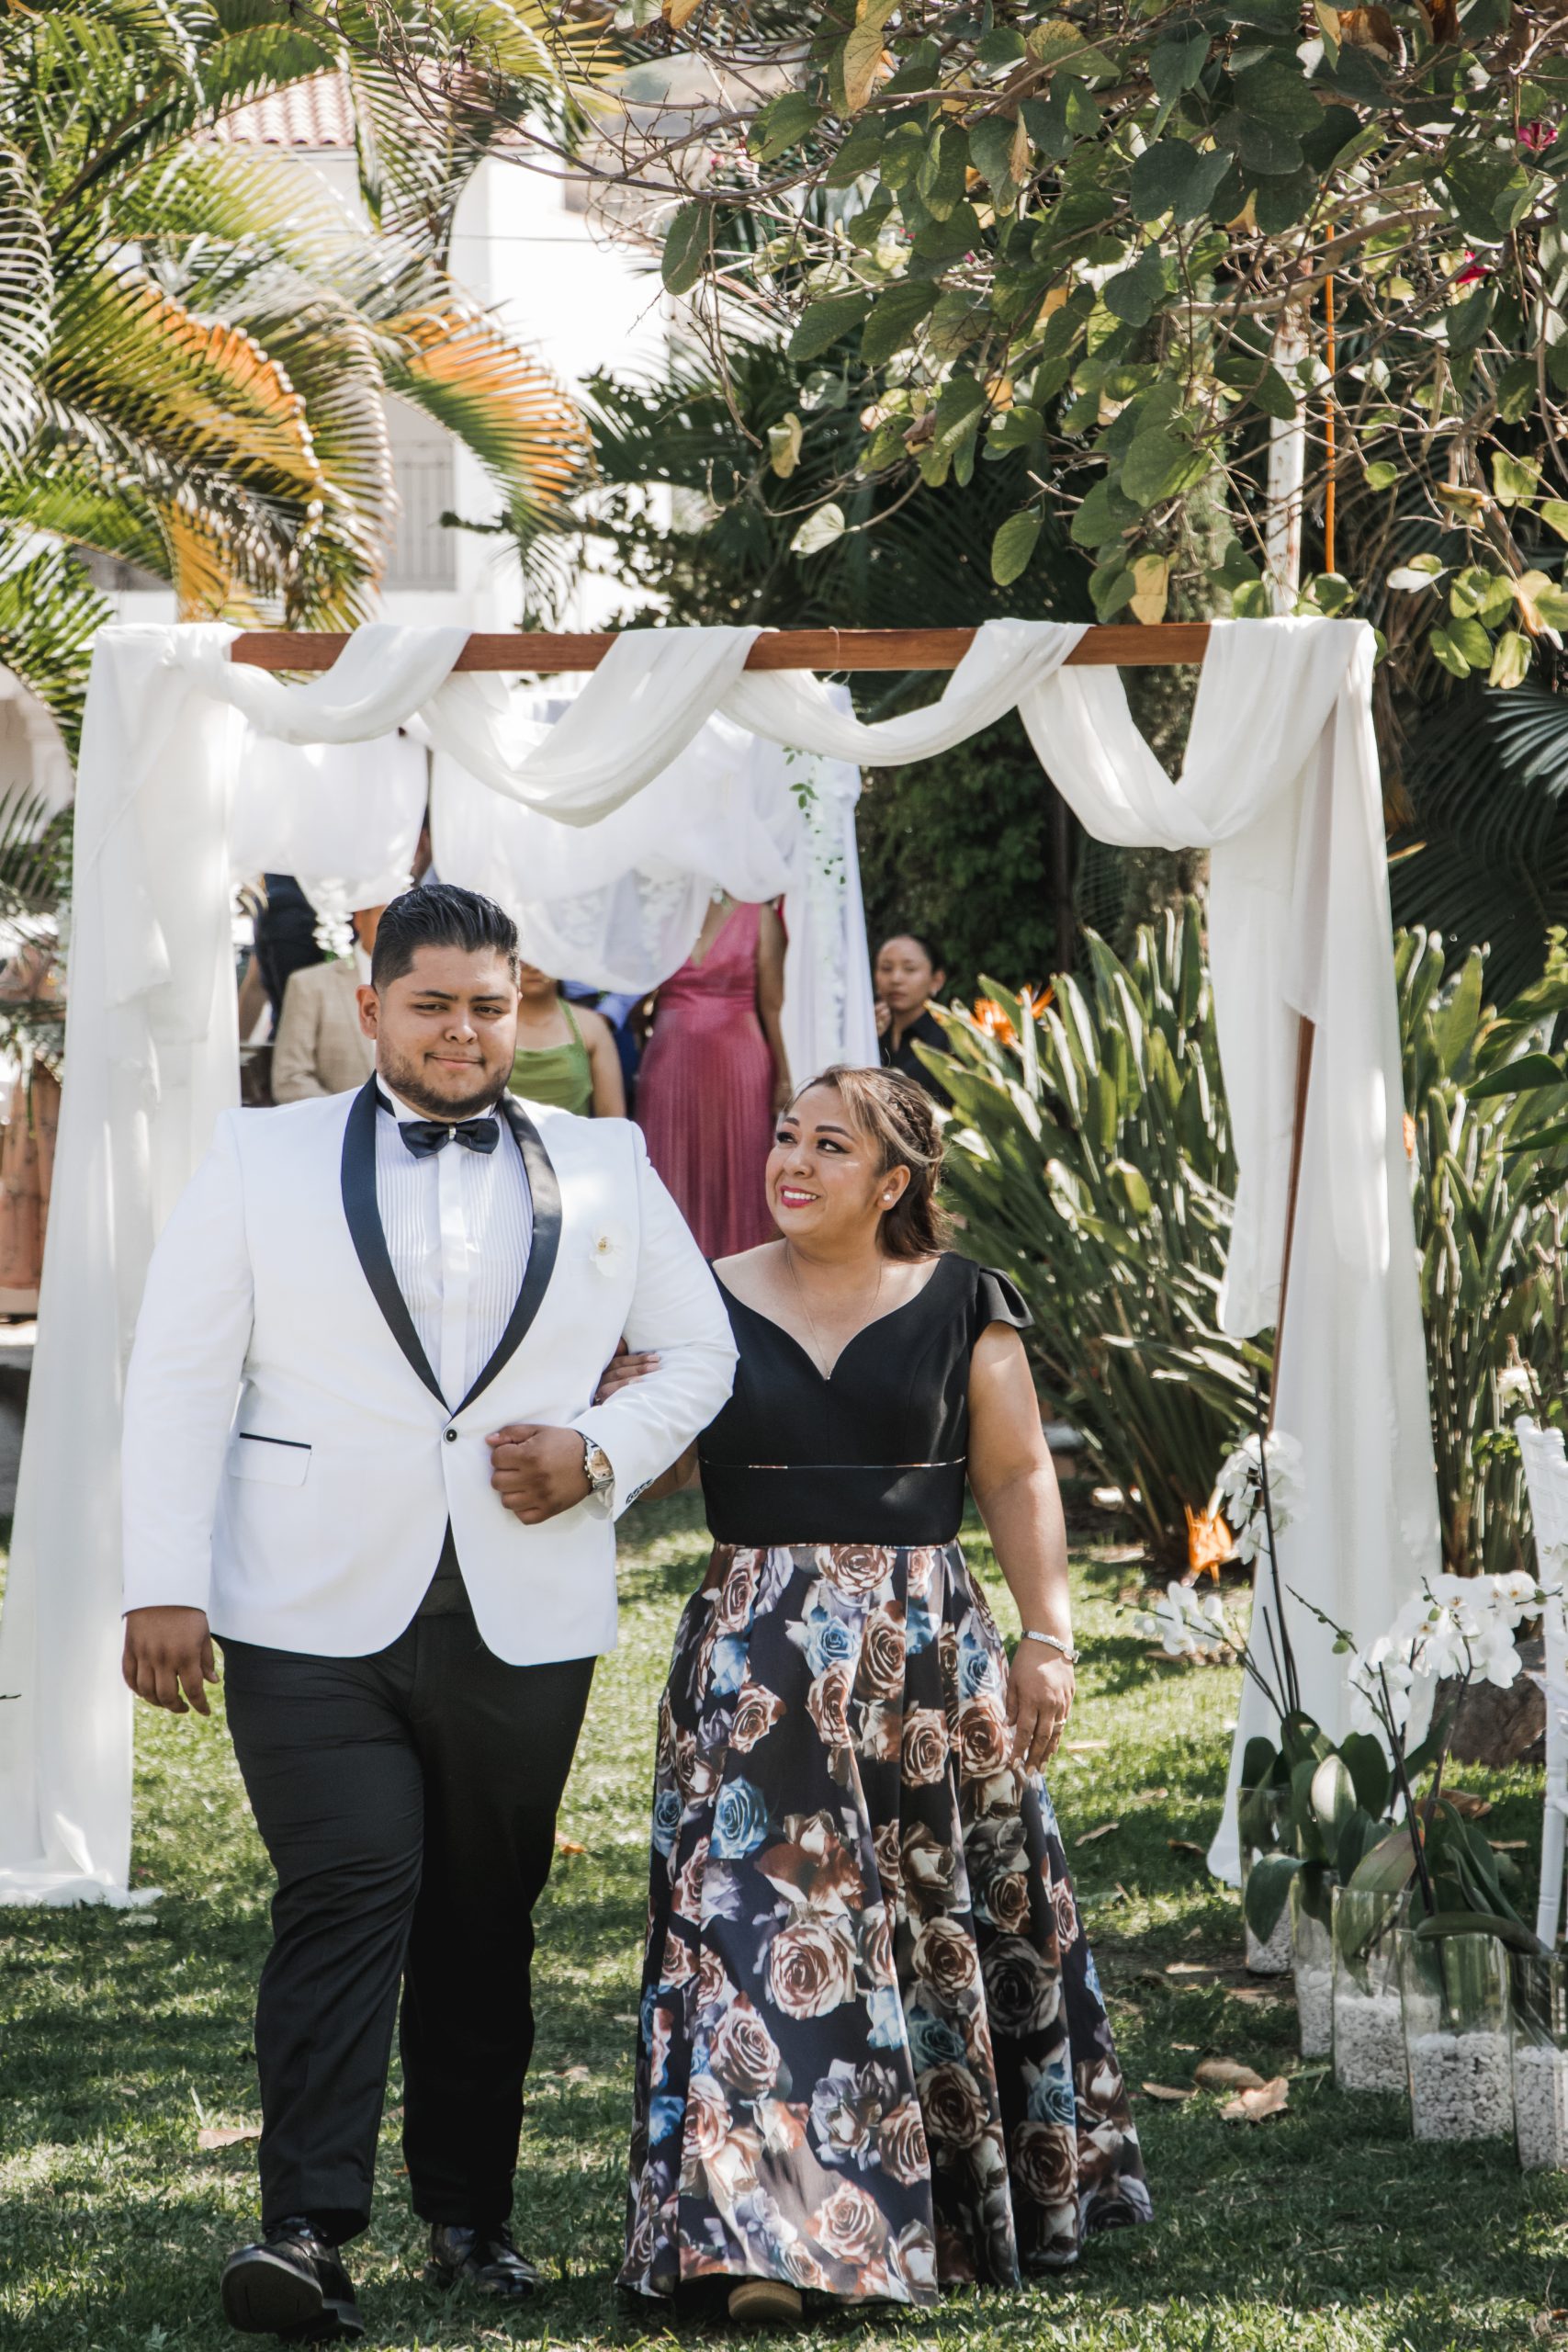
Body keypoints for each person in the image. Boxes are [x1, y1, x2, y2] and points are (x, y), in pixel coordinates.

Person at [118, 883, 738, 2345]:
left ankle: (471, 2219)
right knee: (345, 1893)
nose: (463, 1032)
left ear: (519, 1010)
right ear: (372, 1007)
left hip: (521, 1607)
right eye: (432, 1005)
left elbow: (697, 1350)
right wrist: (162, 1582)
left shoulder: (604, 1159)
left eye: (488, 1006)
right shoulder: (259, 1155)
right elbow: (180, 1373)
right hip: (301, 1603)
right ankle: (304, 2231)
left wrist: (597, 1451)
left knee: (481, 1917)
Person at [612, 1066, 1149, 2318]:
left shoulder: (964, 1302)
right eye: (785, 1136)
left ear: (893, 1180)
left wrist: (1048, 1637)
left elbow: (1015, 1474)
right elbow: (651, 1461)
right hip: (753, 1665)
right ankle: (762, 2241)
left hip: (922, 1659)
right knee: (753, 1930)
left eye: (830, 1147)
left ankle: (927, 2215)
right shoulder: (701, 1295)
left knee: (922, 1925)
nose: (791, 1163)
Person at [637, 892, 789, 1259]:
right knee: (668, 1162)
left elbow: (773, 1004)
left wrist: (785, 1075)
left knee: (742, 1163)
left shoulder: (759, 916)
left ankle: (743, 1268)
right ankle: (666, 1266)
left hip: (739, 1064)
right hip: (670, 1062)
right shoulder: (663, 911)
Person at [270, 906, 384, 1102]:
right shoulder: (310, 985)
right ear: (360, 919)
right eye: (387, 915)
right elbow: (290, 1080)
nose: (399, 926)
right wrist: (350, 1116)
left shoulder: (429, 985)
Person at [508, 960, 626, 1116]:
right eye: (524, 958)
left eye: (544, 956)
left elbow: (613, 1117)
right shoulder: (486, 1025)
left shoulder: (591, 1026)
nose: (534, 966)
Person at [874, 932, 950, 1102]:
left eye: (909, 969)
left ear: (936, 980)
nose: (896, 979)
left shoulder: (947, 1041)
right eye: (886, 968)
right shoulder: (869, 1032)